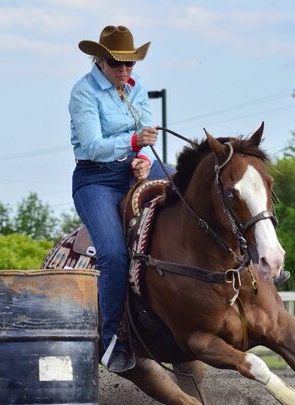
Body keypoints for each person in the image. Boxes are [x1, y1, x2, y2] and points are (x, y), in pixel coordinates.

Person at [70, 25, 169, 372]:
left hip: (133, 169)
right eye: (117, 64)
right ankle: (114, 338)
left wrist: (143, 161)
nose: (125, 71)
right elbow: (93, 145)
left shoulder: (135, 88)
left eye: (130, 64)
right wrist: (133, 145)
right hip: (96, 179)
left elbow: (146, 134)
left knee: (186, 185)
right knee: (112, 253)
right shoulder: (83, 93)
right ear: (99, 60)